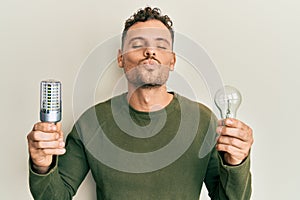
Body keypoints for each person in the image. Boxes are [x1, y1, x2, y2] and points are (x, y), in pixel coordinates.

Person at [27, 7, 254, 200]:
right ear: (120, 58)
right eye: (137, 44)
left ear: (172, 60)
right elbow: (55, 196)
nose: (150, 51)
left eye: (161, 45)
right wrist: (42, 165)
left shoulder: (202, 121)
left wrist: (236, 162)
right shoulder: (91, 123)